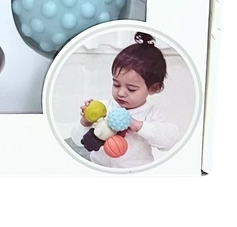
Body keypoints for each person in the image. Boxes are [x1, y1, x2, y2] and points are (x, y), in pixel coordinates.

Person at [72, 32, 179, 168]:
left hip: (136, 172)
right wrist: (85, 122)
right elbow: (77, 140)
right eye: (116, 84)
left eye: (131, 89)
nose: (121, 93)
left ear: (153, 88)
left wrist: (138, 126)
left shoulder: (152, 114)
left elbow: (168, 141)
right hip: (100, 169)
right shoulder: (105, 108)